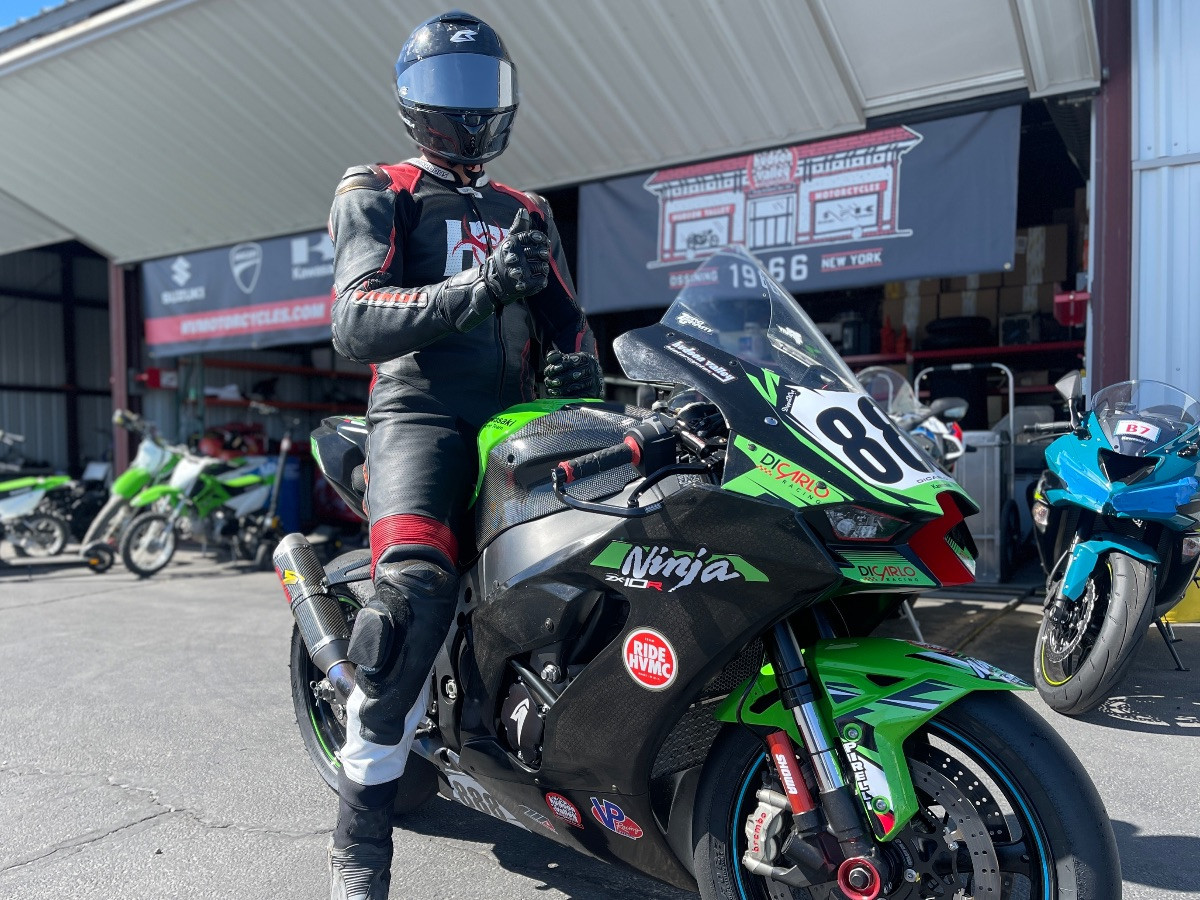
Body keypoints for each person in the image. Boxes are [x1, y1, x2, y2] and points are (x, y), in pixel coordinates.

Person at [324, 11, 602, 900]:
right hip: (421, 416)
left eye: (483, 93)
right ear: (413, 103)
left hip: (524, 419)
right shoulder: (378, 186)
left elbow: (572, 324)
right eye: (451, 95)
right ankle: (358, 849)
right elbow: (353, 319)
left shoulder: (530, 210)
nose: (469, 112)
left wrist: (582, 368)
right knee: (412, 599)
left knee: (612, 555)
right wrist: (478, 288)